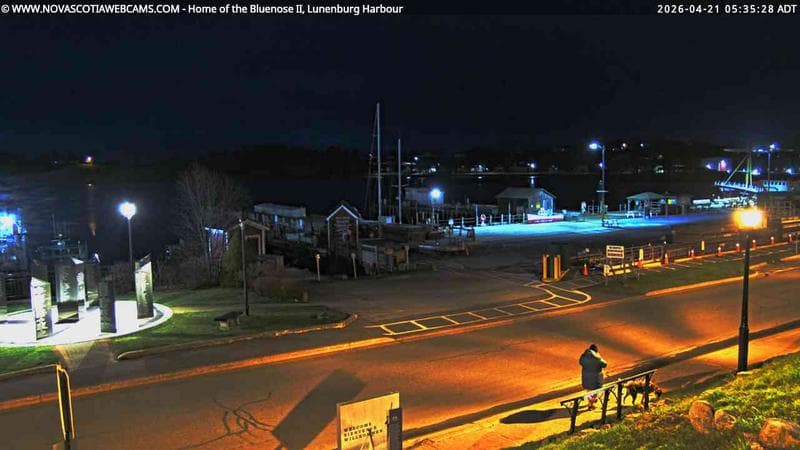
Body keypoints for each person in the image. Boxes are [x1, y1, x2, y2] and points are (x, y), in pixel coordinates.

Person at [579, 343, 608, 410]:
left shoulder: (583, 356)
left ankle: (590, 403)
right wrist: (599, 357)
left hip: (586, 378)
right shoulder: (597, 358)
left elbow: (580, 362)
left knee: (589, 391)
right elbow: (605, 364)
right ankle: (591, 403)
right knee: (596, 392)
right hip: (596, 379)